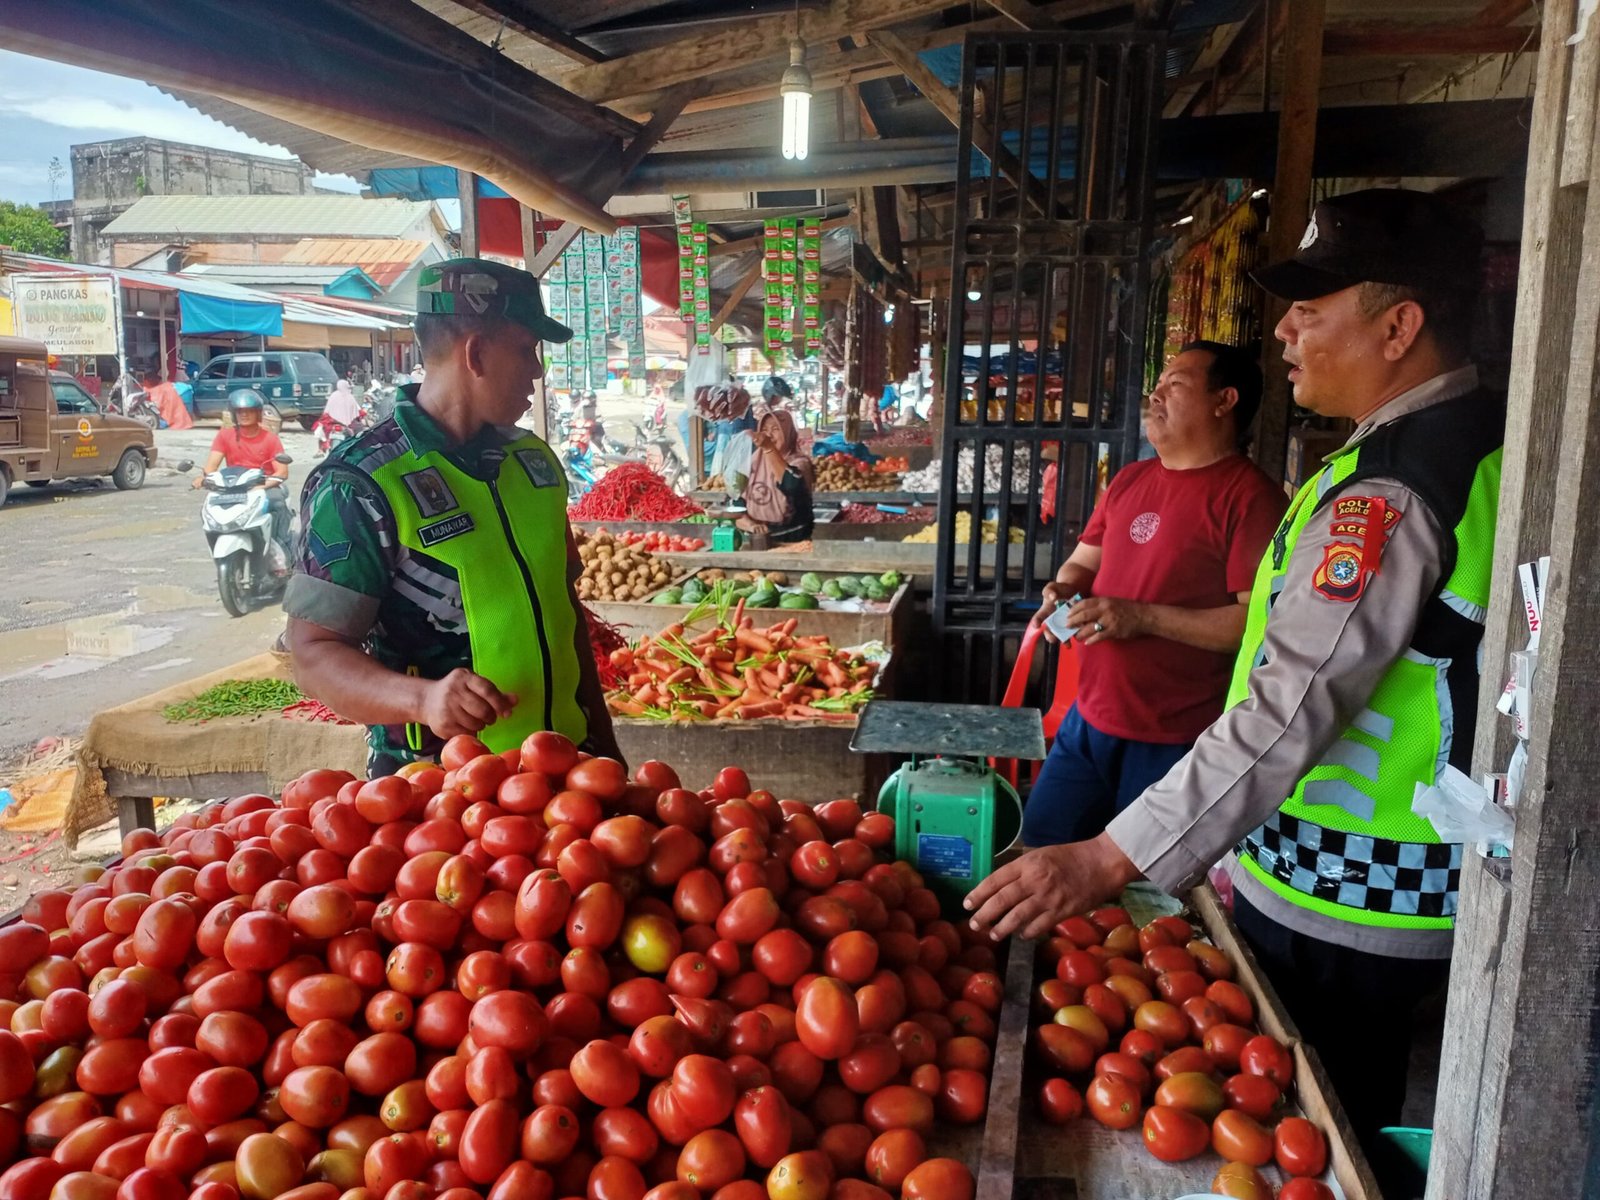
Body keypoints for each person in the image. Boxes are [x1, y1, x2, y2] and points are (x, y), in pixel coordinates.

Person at [967, 189, 1501, 1160]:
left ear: (1398, 325)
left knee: (1310, 1137)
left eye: (1313, 306)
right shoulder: (1443, 450)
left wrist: (1103, 858)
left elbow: (1286, 708)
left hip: (1353, 896)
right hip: (1351, 876)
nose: (1286, 329)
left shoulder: (1391, 489)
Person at [283, 257, 621, 777]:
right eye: (526, 350)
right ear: (477, 353)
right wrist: (421, 699)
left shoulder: (535, 465)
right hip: (446, 798)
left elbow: (566, 611)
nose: (536, 370)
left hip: (569, 775)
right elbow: (312, 652)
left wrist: (604, 744)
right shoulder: (362, 483)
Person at [1022, 341, 1286, 847]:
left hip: (1177, 737)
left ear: (1224, 400)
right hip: (1090, 716)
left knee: (1142, 889)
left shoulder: (1250, 497)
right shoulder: (1129, 479)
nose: (1156, 395)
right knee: (1041, 844)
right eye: (1157, 385)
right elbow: (1083, 562)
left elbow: (1253, 624)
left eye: (1176, 384)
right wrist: (1063, 589)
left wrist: (1141, 618)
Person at [194, 389, 288, 547]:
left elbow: (282, 471)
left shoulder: (270, 439)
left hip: (263, 486)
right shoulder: (225, 435)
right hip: (234, 487)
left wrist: (260, 486)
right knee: (207, 510)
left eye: (249, 411)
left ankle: (280, 548)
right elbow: (211, 466)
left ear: (258, 413)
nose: (244, 415)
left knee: (277, 504)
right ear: (234, 414)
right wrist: (206, 479)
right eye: (240, 412)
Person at [737, 408, 814, 544]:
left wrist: (769, 448)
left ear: (788, 432)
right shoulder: (753, 461)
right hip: (756, 540)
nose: (769, 435)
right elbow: (736, 500)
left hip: (791, 540)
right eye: (765, 430)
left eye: (775, 429)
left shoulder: (800, 462)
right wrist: (751, 525)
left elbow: (792, 485)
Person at [313, 379, 364, 455]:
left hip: (331, 423)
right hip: (347, 425)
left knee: (322, 430)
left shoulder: (333, 395)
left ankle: (321, 450)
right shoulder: (350, 397)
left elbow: (326, 411)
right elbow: (356, 412)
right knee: (359, 433)